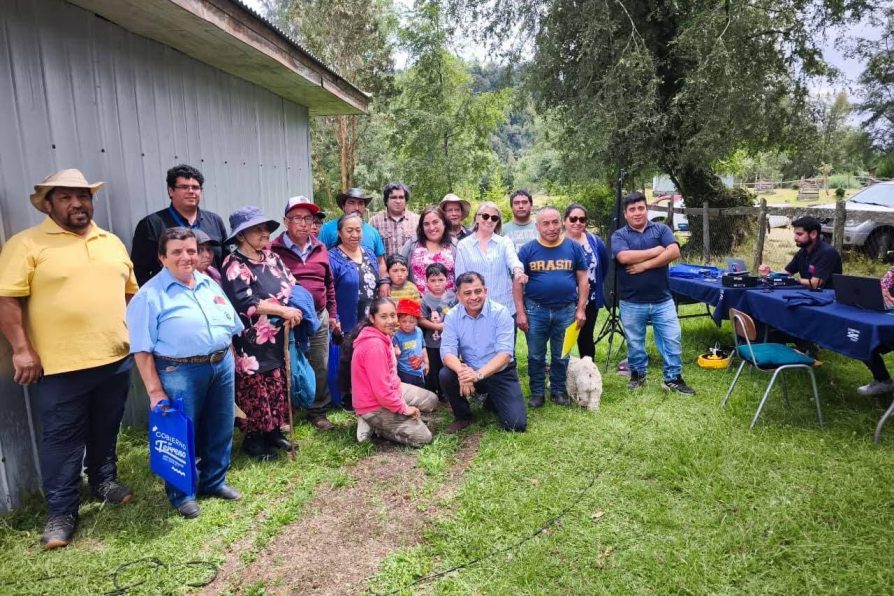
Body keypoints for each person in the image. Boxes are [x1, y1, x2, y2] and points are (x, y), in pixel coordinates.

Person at [0, 169, 138, 549]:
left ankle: (104, 481)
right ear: (48, 204)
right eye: (65, 197)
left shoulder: (111, 242)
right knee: (62, 439)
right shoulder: (26, 244)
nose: (77, 204)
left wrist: (137, 340)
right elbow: (7, 298)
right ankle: (61, 512)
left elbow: (130, 295)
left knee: (106, 426)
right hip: (60, 365)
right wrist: (22, 349)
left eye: (83, 196)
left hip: (114, 358)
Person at [127, 228, 244, 519]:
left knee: (221, 426)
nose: (186, 257)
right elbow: (141, 349)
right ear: (162, 257)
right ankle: (182, 494)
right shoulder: (149, 296)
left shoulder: (209, 283)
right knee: (180, 433)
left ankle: (214, 481)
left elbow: (230, 325)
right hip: (179, 370)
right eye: (177, 251)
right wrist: (154, 391)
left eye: (191, 250)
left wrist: (230, 359)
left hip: (221, 365)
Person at [220, 206, 303, 460]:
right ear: (241, 235)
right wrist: (283, 311)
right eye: (257, 229)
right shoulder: (233, 263)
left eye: (266, 227)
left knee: (276, 383)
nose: (265, 233)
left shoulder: (272, 258)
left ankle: (274, 431)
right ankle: (254, 439)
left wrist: (294, 309)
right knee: (257, 389)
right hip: (251, 342)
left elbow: (291, 283)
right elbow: (248, 303)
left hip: (277, 337)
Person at [612, 192, 694, 394]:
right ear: (625, 213)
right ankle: (638, 376)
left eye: (641, 208)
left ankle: (673, 378)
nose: (637, 213)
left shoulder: (661, 229)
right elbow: (623, 257)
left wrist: (643, 266)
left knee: (672, 338)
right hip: (631, 302)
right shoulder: (619, 235)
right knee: (635, 343)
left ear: (646, 209)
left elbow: (674, 252)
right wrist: (658, 250)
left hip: (663, 300)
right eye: (632, 210)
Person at [271, 196, 339, 431]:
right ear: (285, 221)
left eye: (307, 218)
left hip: (319, 316)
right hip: (288, 320)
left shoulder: (320, 248)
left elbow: (328, 284)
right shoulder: (273, 250)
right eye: (297, 218)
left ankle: (318, 410)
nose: (303, 223)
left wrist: (332, 315)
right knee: (287, 364)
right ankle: (287, 411)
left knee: (319, 363)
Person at [514, 206, 589, 407]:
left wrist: (581, 309)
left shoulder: (573, 248)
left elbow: (583, 280)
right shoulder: (527, 250)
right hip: (535, 311)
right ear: (537, 226)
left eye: (555, 222)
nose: (551, 227)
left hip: (566, 311)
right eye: (546, 223)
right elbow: (517, 283)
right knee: (536, 355)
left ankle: (558, 390)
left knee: (561, 354)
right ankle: (537, 392)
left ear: (562, 223)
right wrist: (520, 312)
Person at [440, 272, 528, 434]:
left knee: (516, 424)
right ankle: (463, 416)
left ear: (485, 291)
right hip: (470, 370)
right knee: (446, 374)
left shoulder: (501, 313)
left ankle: (492, 399)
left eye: (478, 291)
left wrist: (478, 375)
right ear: (458, 296)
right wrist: (462, 372)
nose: (474, 297)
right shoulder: (452, 316)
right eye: (467, 293)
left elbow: (505, 354)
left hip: (499, 372)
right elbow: (447, 351)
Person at [346, 298, 439, 447]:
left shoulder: (383, 335)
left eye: (393, 315)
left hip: (389, 390)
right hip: (373, 403)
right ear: (372, 318)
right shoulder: (374, 346)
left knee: (432, 400)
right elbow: (381, 391)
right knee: (424, 437)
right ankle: (374, 424)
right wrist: (403, 409)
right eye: (383, 317)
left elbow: (387, 380)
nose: (390, 321)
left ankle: (383, 419)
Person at [131, 164, 228, 286]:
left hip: (211, 295)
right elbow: (140, 271)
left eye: (195, 187)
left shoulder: (214, 221)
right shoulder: (151, 224)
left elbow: (225, 262)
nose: (191, 191)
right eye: (184, 187)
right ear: (171, 191)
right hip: (172, 297)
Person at [329, 213, 383, 406]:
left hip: (369, 315)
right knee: (348, 356)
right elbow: (330, 289)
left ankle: (368, 393)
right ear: (340, 233)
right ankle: (348, 396)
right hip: (346, 316)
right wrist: (334, 316)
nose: (354, 234)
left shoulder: (368, 253)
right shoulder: (331, 257)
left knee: (368, 354)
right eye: (349, 230)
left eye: (358, 230)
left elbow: (376, 282)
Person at [455, 201, 527, 320]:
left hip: (504, 308)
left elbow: (513, 260)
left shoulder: (505, 242)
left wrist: (518, 271)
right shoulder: (463, 245)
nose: (489, 220)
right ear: (477, 218)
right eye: (485, 216)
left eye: (494, 218)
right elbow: (460, 278)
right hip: (475, 309)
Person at [317, 188, 388, 295]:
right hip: (339, 292)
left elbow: (380, 262)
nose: (356, 207)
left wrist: (383, 282)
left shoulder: (372, 232)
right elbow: (319, 259)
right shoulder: (328, 229)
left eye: (360, 204)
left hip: (369, 292)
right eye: (352, 203)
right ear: (343, 206)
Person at [563, 203, 609, 359]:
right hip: (565, 300)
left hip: (590, 299)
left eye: (582, 220)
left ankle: (589, 374)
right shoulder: (558, 242)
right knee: (563, 340)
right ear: (564, 221)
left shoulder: (594, 241)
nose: (577, 223)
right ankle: (560, 375)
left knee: (586, 338)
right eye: (573, 219)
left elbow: (604, 265)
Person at [758, 216, 842, 289]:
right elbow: (785, 274)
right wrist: (770, 274)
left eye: (799, 234)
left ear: (813, 234)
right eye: (795, 234)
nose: (795, 238)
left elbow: (815, 284)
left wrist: (793, 280)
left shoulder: (827, 253)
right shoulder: (802, 252)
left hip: (827, 298)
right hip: (808, 293)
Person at [398, 206, 457, 294]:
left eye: (435, 222)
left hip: (449, 303)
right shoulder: (413, 244)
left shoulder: (455, 245)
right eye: (426, 224)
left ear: (444, 223)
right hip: (417, 303)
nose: (431, 228)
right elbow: (398, 266)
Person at [420, 263, 457, 398]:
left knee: (447, 366)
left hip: (449, 342)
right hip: (432, 342)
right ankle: (434, 392)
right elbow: (421, 319)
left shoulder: (453, 297)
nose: (437, 284)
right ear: (426, 281)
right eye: (433, 280)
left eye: (441, 280)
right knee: (434, 367)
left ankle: (447, 392)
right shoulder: (424, 299)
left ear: (447, 280)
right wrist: (437, 327)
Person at [369, 182, 419, 257]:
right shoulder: (375, 222)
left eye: (401, 197)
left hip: (409, 268)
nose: (398, 201)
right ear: (386, 200)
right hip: (384, 268)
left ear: (406, 200)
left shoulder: (417, 220)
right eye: (393, 197)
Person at [394, 298, 428, 387]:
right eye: (404, 321)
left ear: (417, 321)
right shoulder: (396, 336)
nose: (407, 324)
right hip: (405, 372)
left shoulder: (419, 331)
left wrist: (426, 362)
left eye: (411, 322)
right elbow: (395, 356)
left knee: (421, 393)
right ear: (398, 320)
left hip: (419, 371)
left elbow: (423, 347)